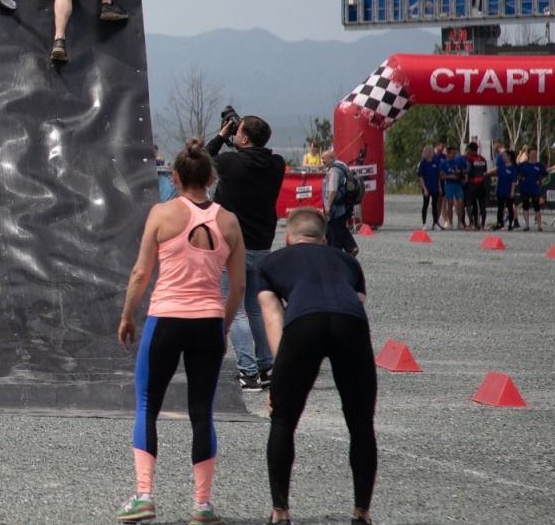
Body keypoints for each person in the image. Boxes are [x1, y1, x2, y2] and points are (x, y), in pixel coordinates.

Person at [116, 138, 245, 525]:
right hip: (207, 322)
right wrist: (221, 326)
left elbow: (141, 272)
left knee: (146, 405)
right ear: (210, 178)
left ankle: (143, 496)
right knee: (202, 412)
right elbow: (237, 288)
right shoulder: (230, 222)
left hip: (166, 320)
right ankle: (201, 505)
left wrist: (126, 316)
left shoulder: (162, 213)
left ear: (174, 177)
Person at [258, 207, 377, 525]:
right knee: (361, 422)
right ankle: (361, 513)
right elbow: (356, 302)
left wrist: (279, 377)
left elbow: (273, 318)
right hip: (350, 323)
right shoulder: (349, 261)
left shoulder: (270, 263)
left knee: (283, 419)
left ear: (287, 237)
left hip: (303, 322)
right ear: (324, 240)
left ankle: (280, 511)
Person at [208, 113, 286, 393]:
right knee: (255, 308)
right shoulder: (277, 164)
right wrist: (238, 136)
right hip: (262, 243)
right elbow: (253, 157)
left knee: (236, 309)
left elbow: (201, 159)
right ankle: (265, 367)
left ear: (242, 138)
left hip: (232, 245)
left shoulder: (231, 163)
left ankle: (248, 372)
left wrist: (221, 136)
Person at [321, 149, 361, 256]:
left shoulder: (333, 171)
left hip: (336, 206)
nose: (322, 161)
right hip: (345, 204)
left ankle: (336, 252)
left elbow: (332, 189)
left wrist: (328, 205)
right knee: (337, 227)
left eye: (324, 158)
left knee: (334, 229)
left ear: (331, 158)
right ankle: (351, 247)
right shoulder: (342, 165)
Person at [518, 147, 549, 231]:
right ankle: (527, 225)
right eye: (532, 154)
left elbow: (546, 174)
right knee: (525, 207)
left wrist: (541, 181)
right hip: (525, 188)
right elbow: (517, 172)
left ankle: (539, 225)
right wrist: (520, 178)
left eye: (535, 154)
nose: (534, 155)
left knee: (537, 207)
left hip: (535, 189)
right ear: (528, 154)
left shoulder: (539, 165)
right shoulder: (523, 165)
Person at [491, 147, 521, 230]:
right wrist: (496, 189)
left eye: (504, 156)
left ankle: (510, 224)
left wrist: (512, 191)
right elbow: (498, 179)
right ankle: (499, 223)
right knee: (500, 208)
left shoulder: (513, 168)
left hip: (508, 190)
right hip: (501, 189)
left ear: (509, 157)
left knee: (509, 207)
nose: (503, 157)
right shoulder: (501, 167)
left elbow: (513, 181)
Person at [463, 142, 489, 231]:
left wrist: (465, 180)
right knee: (482, 205)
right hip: (481, 184)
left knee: (469, 204)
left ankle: (471, 223)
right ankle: (482, 225)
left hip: (472, 184)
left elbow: (467, 172)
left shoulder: (470, 159)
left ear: (470, 149)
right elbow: (485, 172)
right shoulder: (483, 159)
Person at [415, 144, 442, 231]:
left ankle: (435, 223)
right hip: (427, 186)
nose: (431, 152)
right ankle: (424, 223)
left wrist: (440, 187)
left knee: (435, 205)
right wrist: (424, 188)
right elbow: (420, 176)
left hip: (435, 186)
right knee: (425, 205)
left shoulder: (435, 162)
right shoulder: (423, 163)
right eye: (430, 151)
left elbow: (438, 176)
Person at [441, 145, 467, 230]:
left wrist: (464, 178)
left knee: (461, 203)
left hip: (458, 184)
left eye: (455, 153)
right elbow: (441, 176)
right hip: (449, 184)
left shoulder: (458, 162)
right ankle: (450, 222)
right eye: (452, 153)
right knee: (450, 203)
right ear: (448, 154)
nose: (453, 155)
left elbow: (463, 172)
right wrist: (449, 177)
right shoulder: (444, 163)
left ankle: (460, 222)